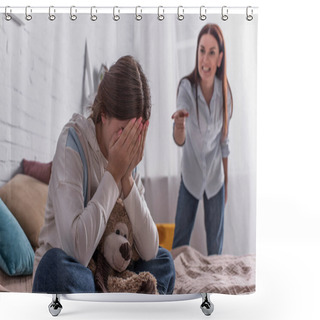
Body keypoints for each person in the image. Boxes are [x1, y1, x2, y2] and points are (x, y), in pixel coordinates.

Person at [32, 55, 175, 294]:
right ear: (104, 114)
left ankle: (113, 305)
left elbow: (149, 250)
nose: (127, 143)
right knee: (54, 267)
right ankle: (125, 306)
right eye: (122, 131)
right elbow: (77, 250)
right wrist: (113, 174)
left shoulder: (127, 159)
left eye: (134, 134)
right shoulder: (72, 143)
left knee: (163, 262)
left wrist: (127, 176)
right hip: (77, 273)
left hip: (112, 278)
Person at [171, 24, 233, 256]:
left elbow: (224, 144)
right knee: (179, 244)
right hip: (191, 177)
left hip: (216, 179)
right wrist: (179, 125)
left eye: (211, 52)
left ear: (220, 58)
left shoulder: (225, 93)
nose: (205, 58)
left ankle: (214, 290)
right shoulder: (186, 88)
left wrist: (226, 183)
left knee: (215, 250)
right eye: (201, 50)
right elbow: (180, 139)